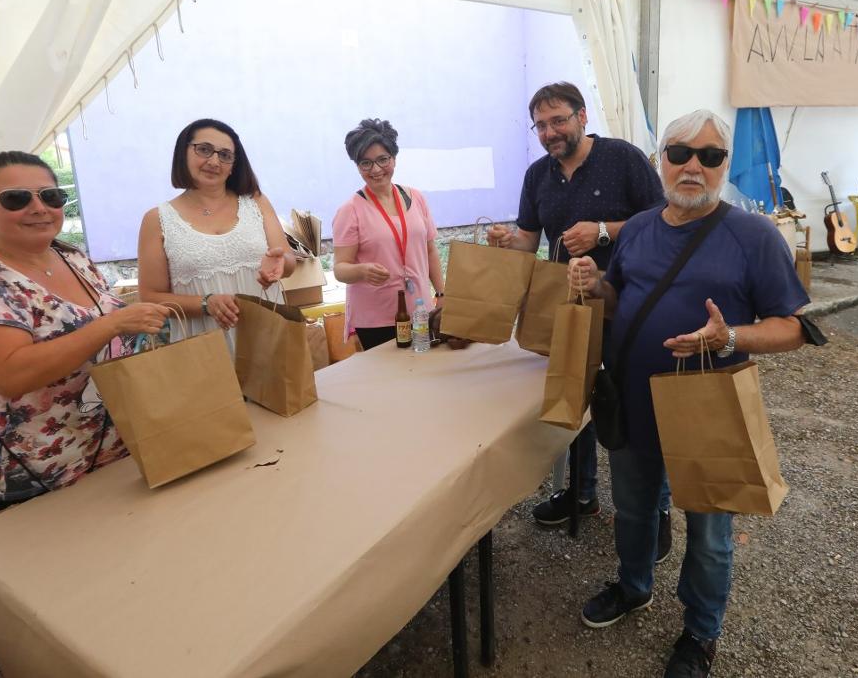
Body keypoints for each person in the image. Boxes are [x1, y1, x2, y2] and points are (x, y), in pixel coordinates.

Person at [567, 110, 808, 678]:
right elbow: (619, 296)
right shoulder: (641, 227)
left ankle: (701, 632)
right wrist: (594, 284)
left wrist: (732, 336)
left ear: (724, 167)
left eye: (710, 156)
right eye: (679, 153)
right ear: (660, 161)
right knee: (632, 507)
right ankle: (634, 585)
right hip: (633, 396)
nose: (693, 166)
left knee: (708, 534)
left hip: (708, 409)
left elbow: (797, 327)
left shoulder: (754, 236)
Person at [487, 81, 673, 557]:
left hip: (631, 305)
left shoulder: (624, 159)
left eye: (559, 120)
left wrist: (604, 232)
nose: (550, 132)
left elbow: (665, 221)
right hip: (570, 307)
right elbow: (531, 240)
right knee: (577, 394)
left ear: (583, 116)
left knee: (640, 404)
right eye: (542, 125)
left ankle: (659, 509)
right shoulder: (537, 176)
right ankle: (583, 493)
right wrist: (509, 242)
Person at [0, 151, 171, 512]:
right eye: (17, 199)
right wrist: (112, 324)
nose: (38, 208)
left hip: (109, 453)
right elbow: (11, 375)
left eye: (50, 196)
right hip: (32, 473)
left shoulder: (71, 257)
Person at [138, 119, 301, 345]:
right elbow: (150, 297)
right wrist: (206, 303)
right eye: (204, 150)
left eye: (225, 155)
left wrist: (283, 262)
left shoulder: (256, 202)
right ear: (183, 152)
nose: (214, 161)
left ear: (234, 164)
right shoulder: (157, 219)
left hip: (267, 339)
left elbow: (288, 260)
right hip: (203, 349)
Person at [332, 118, 444, 350]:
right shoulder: (350, 210)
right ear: (357, 165)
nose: (376, 170)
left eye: (383, 159)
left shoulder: (416, 198)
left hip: (420, 310)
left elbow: (430, 249)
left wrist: (442, 293)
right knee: (386, 383)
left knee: (424, 377)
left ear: (394, 158)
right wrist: (361, 270)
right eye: (366, 163)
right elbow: (340, 269)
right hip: (375, 319)